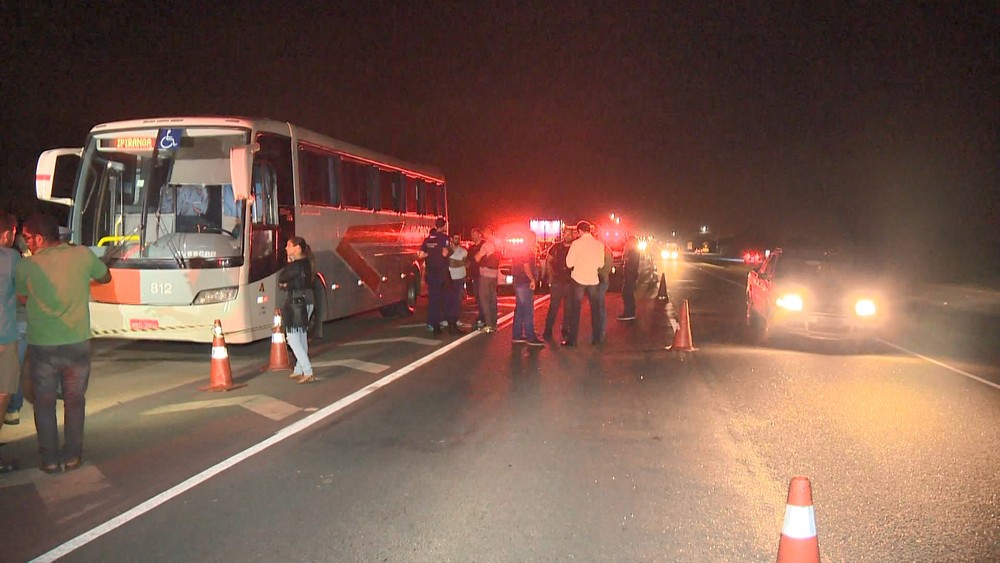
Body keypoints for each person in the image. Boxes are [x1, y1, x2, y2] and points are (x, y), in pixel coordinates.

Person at [16, 214, 111, 473]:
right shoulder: (81, 255)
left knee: (44, 402)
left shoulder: (27, 267)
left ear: (39, 238)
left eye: (27, 238)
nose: (26, 244)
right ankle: (73, 456)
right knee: (75, 400)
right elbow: (105, 277)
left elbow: (22, 298)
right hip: (77, 344)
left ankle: (49, 459)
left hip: (42, 346)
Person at [279, 236, 316, 383]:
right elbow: (295, 281)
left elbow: (282, 277)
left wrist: (289, 264)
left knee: (293, 339)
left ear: (297, 248)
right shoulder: (307, 263)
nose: (286, 248)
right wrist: (289, 284)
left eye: (289, 246)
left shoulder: (296, 265)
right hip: (307, 300)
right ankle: (299, 368)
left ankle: (307, 370)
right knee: (301, 336)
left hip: (296, 303)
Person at [0, 212, 21, 472]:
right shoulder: (11, 258)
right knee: (3, 394)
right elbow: (25, 290)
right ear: (8, 234)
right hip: (4, 338)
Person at [563, 221, 605, 347]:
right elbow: (601, 264)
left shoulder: (576, 244)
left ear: (579, 231)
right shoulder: (599, 244)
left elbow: (569, 263)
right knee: (595, 310)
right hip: (593, 279)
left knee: (575, 310)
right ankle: (596, 338)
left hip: (578, 279)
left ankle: (572, 339)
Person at [417, 217, 451, 335]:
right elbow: (445, 253)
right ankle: (438, 322)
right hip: (441, 272)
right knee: (441, 298)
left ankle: (430, 323)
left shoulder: (428, 239)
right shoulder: (444, 238)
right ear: (444, 226)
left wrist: (430, 253)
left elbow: (421, 255)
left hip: (431, 272)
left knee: (432, 299)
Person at [510, 230, 544, 346]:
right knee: (528, 309)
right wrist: (532, 279)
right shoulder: (525, 251)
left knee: (520, 308)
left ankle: (517, 335)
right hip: (524, 282)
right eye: (533, 238)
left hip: (519, 282)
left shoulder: (520, 250)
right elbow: (525, 266)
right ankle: (530, 336)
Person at [542, 227, 576, 341]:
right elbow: (548, 261)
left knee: (569, 308)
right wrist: (550, 276)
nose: (567, 236)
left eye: (569, 234)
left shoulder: (575, 247)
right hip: (558, 281)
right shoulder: (556, 247)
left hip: (571, 282)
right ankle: (547, 331)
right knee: (553, 307)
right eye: (565, 234)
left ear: (573, 235)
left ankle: (565, 330)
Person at [474, 226, 500, 332]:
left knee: (484, 300)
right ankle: (494, 323)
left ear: (485, 234)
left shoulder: (486, 245)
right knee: (492, 299)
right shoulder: (498, 244)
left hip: (485, 275)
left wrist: (477, 254)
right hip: (494, 275)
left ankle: (489, 325)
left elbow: (477, 258)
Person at [445, 233, 467, 334]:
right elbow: (450, 263)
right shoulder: (447, 250)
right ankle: (449, 321)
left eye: (458, 238)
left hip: (460, 278)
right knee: (449, 301)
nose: (457, 240)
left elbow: (466, 263)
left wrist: (455, 262)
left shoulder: (463, 251)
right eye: (455, 238)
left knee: (458, 301)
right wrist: (458, 262)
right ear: (451, 239)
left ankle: (455, 320)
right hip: (450, 279)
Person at [618, 235, 640, 321]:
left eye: (629, 241)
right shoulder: (632, 251)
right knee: (626, 293)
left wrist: (626, 255)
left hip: (630, 276)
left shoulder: (633, 252)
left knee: (627, 294)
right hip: (629, 275)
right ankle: (628, 312)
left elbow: (630, 263)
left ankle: (629, 313)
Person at [466, 228, 484, 327]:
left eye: (474, 234)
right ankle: (482, 315)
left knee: (483, 296)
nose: (472, 236)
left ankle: (484, 316)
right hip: (475, 276)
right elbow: (468, 261)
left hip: (483, 275)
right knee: (477, 296)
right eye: (471, 234)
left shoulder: (484, 246)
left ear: (480, 235)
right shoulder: (472, 248)